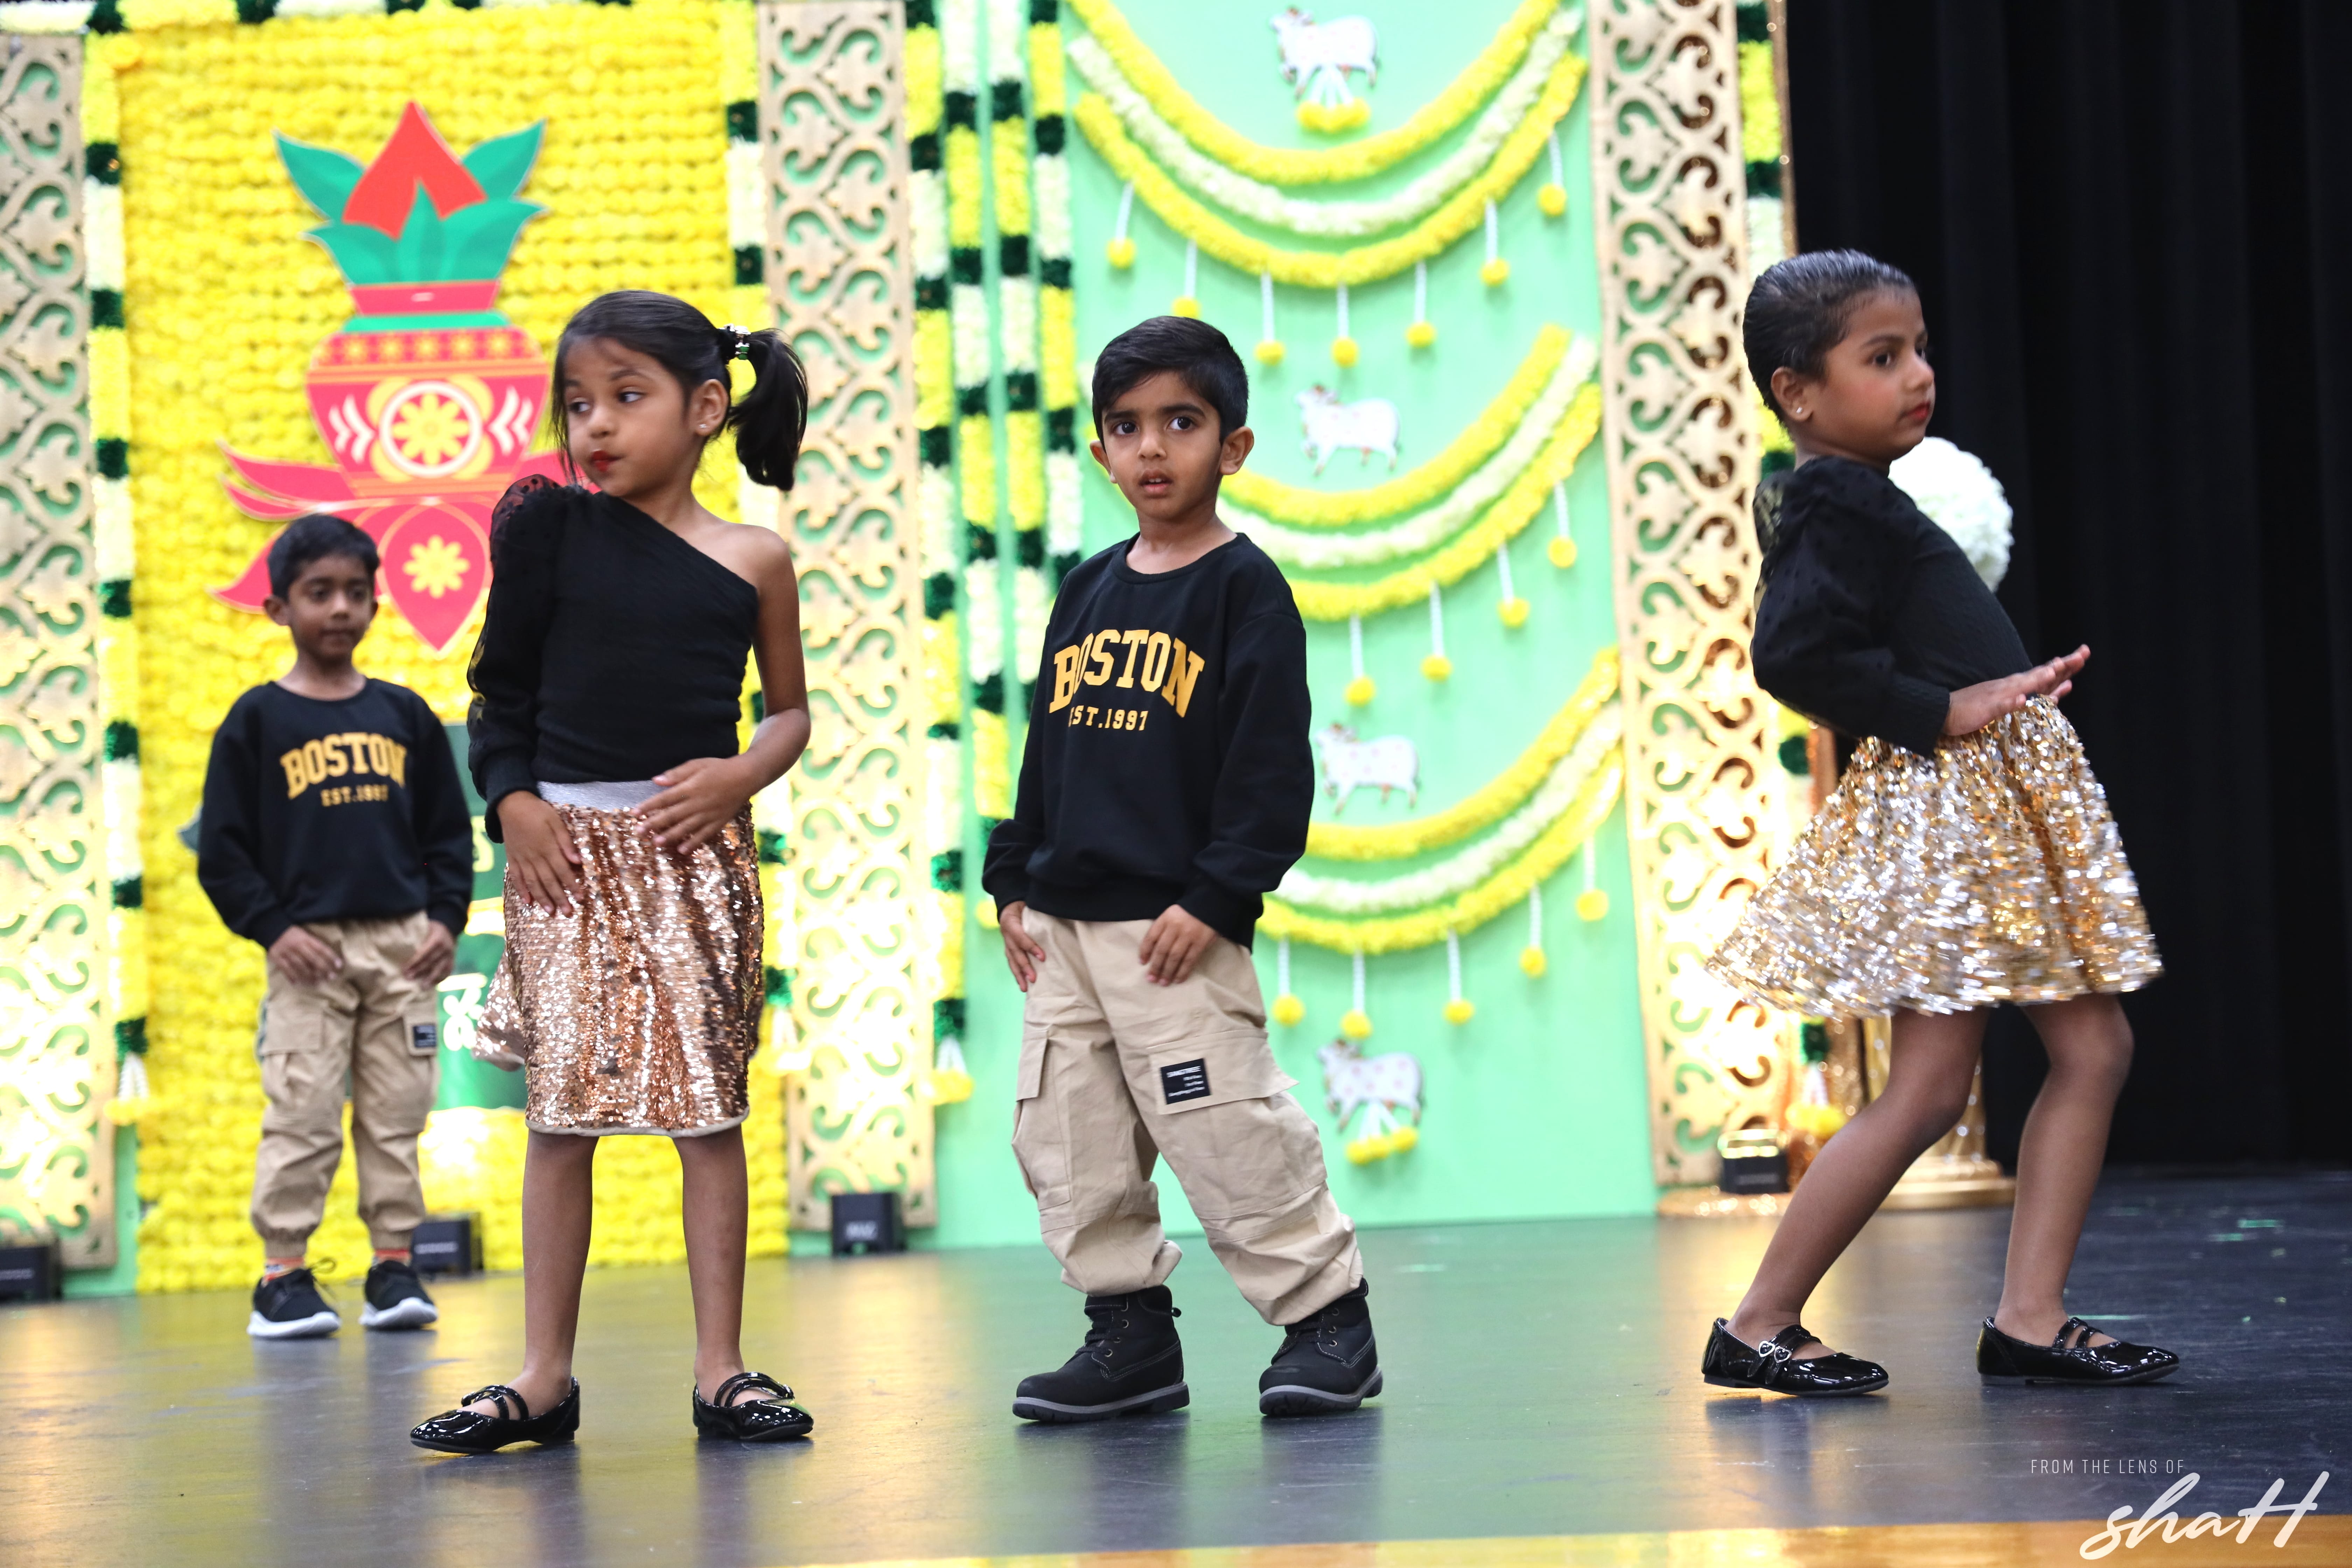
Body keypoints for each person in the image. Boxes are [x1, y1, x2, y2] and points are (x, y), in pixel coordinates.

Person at [1700, 251, 2175, 1396]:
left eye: (1918, 349)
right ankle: (1768, 1321)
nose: (1918, 374)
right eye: (1882, 357)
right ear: (1797, 392)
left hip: (1984, 807)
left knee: (2069, 1055)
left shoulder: (1859, 492)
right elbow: (1792, 652)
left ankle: (2020, 1317)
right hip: (1958, 814)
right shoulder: (1838, 496)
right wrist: (1942, 708)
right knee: (1963, 1080)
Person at [406, 292, 814, 1454]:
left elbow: (789, 715)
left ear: (706, 409)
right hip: (564, 863)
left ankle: (721, 1370)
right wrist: (515, 803)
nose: (594, 424)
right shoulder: (549, 531)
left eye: (626, 398)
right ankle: (544, 1377)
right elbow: (500, 696)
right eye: (578, 403)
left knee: (709, 1117)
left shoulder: (755, 559)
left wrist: (739, 777)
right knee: (559, 1120)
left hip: (692, 856)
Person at [983, 316, 1380, 1423]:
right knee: (1070, 1137)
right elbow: (1049, 747)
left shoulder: (1245, 590)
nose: (1152, 447)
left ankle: (1327, 1320)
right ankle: (1130, 1338)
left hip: (1171, 930)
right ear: (1100, 451)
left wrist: (1216, 896)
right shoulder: (1086, 589)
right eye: (1127, 427)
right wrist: (1012, 880)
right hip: (1063, 928)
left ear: (1233, 446)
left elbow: (1269, 769)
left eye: (1182, 423)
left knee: (1226, 1127)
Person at [198, 513, 472, 1340]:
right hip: (307, 954)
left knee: (397, 1113)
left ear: (376, 604)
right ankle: (282, 1276)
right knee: (303, 1111)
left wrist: (444, 918)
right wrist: (275, 930)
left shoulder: (404, 714)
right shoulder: (256, 720)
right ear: (279, 608)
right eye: (319, 593)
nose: (341, 608)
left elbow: (447, 833)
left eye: (356, 592)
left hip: (401, 948)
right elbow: (224, 852)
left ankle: (394, 1266)